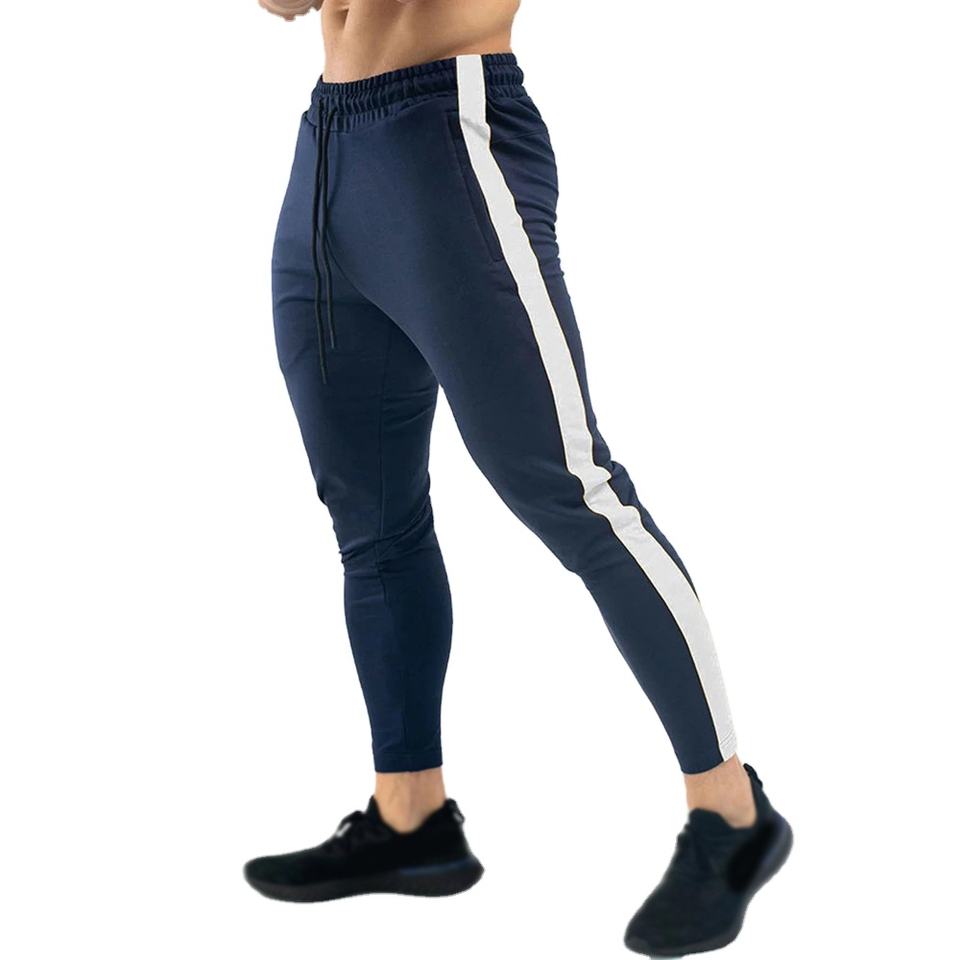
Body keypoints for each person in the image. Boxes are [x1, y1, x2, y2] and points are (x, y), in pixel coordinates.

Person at [245, 1, 792, 954]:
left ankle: (731, 813)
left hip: (447, 139)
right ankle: (411, 818)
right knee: (371, 519)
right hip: (327, 153)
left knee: (578, 496)